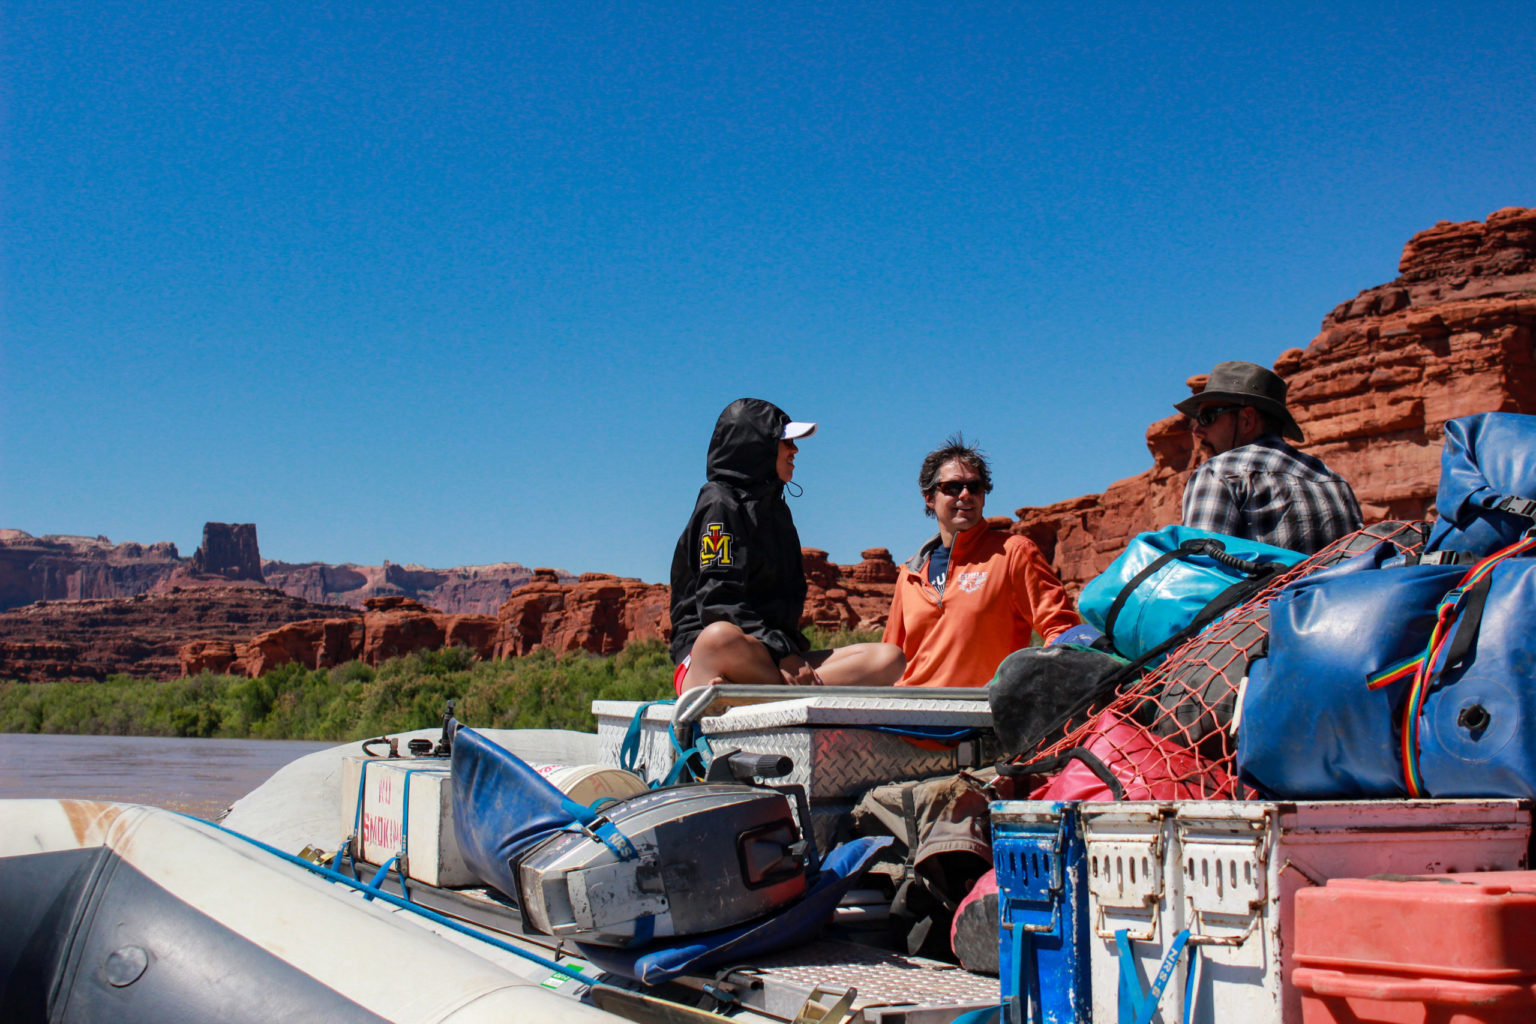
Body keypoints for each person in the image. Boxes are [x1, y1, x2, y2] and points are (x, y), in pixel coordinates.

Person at [669, 398, 905, 693]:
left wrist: (785, 655)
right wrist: (782, 653)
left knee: (888, 658)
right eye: (785, 442)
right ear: (756, 447)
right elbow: (718, 604)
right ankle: (784, 691)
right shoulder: (719, 502)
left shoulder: (778, 513)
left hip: (772, 661)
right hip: (719, 656)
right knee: (720, 637)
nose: (795, 450)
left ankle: (755, 693)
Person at [883, 436, 1080, 687]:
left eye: (974, 487)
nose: (965, 495)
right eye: (952, 487)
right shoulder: (910, 572)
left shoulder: (1013, 553)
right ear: (929, 498)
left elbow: (1062, 632)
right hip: (912, 715)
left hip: (980, 713)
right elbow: (890, 655)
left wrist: (1026, 687)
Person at [1176, 360, 1363, 555]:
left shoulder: (1219, 473)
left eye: (1207, 417)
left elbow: (1201, 572)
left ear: (1247, 419)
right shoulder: (1335, 483)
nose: (1197, 430)